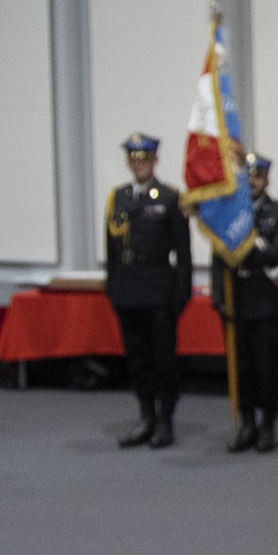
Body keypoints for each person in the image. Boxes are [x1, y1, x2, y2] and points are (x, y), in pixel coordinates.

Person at [103, 133, 191, 449]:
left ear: (155, 161)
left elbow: (183, 255)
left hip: (159, 292)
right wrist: (112, 290)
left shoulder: (170, 198)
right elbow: (112, 253)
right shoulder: (118, 197)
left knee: (163, 360)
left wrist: (180, 296)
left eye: (145, 159)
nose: (139, 165)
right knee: (138, 360)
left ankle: (165, 420)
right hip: (127, 291)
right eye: (134, 159)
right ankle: (146, 417)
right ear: (129, 163)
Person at [208, 152, 278, 453]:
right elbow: (218, 259)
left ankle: (268, 423)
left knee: (266, 366)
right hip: (235, 301)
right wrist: (218, 296)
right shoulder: (229, 217)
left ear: (266, 180)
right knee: (240, 366)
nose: (252, 182)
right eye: (247, 177)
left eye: (257, 177)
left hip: (266, 301)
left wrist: (247, 252)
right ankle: (246, 423)